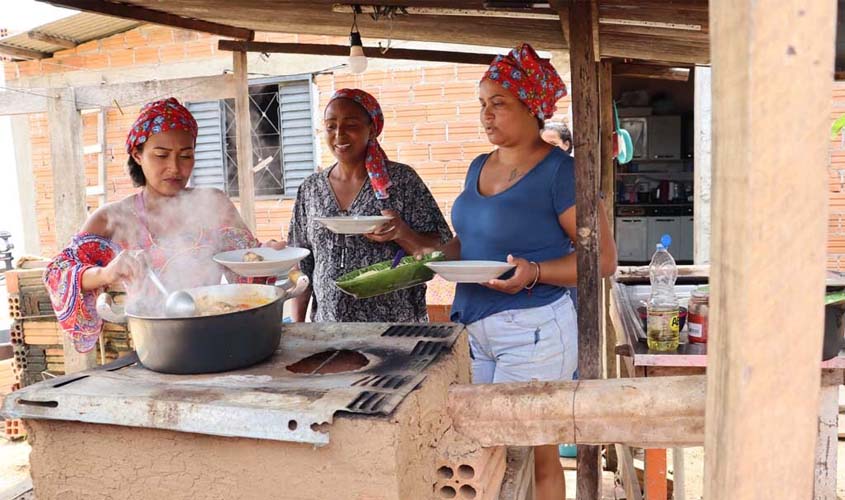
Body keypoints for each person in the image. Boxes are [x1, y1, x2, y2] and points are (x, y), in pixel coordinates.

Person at [431, 44, 617, 500]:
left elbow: (603, 260)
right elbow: (466, 242)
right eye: (482, 104)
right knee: (481, 448)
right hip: (473, 325)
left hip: (533, 329)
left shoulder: (561, 172)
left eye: (499, 103)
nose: (486, 115)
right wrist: (424, 253)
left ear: (532, 107)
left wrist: (534, 271)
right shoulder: (478, 166)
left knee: (535, 450)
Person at [43, 97, 284, 352]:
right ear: (137, 154)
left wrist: (267, 256)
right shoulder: (112, 218)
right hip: (150, 345)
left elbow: (248, 269)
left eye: (186, 155)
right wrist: (106, 273)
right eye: (161, 155)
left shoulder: (214, 204)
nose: (175, 168)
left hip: (217, 335)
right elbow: (57, 274)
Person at [287, 88, 452, 322]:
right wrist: (298, 326)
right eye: (331, 126)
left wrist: (402, 233)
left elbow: (442, 248)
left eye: (351, 125)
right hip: (329, 327)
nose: (339, 134)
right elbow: (302, 265)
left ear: (372, 129)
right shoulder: (310, 189)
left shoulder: (401, 181)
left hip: (394, 326)